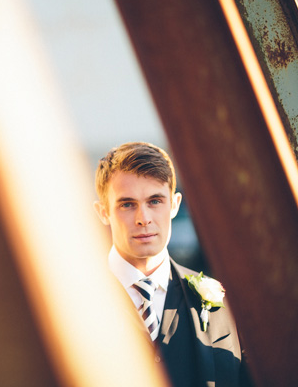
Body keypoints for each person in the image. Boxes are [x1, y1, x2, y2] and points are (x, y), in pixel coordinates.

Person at [94, 141, 251, 387]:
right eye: (127, 204)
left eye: (155, 201)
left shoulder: (224, 303)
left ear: (175, 204)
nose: (143, 219)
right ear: (103, 212)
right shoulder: (67, 300)